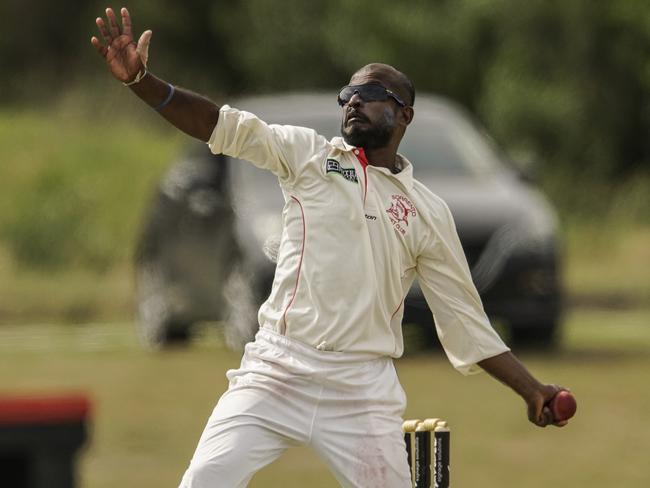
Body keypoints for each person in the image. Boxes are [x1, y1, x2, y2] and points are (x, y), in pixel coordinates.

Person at [92, 7, 571, 488]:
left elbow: (466, 321)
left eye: (370, 95)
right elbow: (220, 125)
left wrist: (531, 391)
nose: (353, 103)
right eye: (349, 95)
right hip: (278, 369)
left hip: (362, 390)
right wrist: (141, 82)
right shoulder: (310, 158)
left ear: (404, 114)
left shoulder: (427, 211)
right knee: (203, 481)